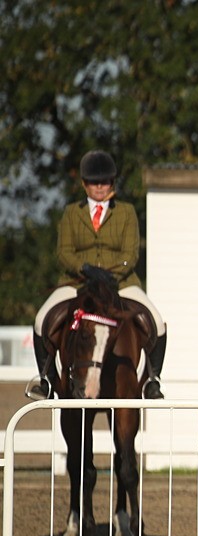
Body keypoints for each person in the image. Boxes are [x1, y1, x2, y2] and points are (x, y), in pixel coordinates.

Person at [27, 150, 167, 400]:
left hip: (120, 283)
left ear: (112, 183)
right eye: (94, 182)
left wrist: (109, 272)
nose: (99, 186)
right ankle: (45, 379)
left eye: (104, 181)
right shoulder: (72, 212)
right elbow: (64, 252)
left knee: (157, 322)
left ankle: (152, 381)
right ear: (84, 184)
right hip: (79, 282)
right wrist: (85, 269)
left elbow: (130, 253)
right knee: (41, 320)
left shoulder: (126, 212)